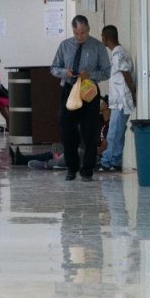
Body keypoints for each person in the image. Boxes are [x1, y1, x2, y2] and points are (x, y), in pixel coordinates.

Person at [50, 14, 111, 182]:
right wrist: (65, 72)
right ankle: (71, 168)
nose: (79, 37)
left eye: (83, 33)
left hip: (89, 90)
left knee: (90, 131)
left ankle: (87, 170)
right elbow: (54, 68)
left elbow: (107, 72)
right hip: (69, 90)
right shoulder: (65, 46)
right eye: (76, 33)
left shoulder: (98, 47)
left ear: (88, 29)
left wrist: (90, 75)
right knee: (67, 130)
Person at [97, 25, 135, 172]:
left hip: (121, 101)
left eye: (102, 37)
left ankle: (106, 162)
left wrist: (133, 93)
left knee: (113, 132)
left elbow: (126, 74)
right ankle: (116, 160)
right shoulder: (119, 52)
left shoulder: (118, 54)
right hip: (119, 101)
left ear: (106, 38)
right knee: (118, 132)